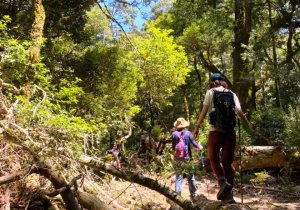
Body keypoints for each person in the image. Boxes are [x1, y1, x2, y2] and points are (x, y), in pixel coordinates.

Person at [196, 73, 246, 203]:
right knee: (227, 163)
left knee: (213, 159)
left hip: (215, 131)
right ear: (223, 81)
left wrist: (196, 127)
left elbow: (204, 111)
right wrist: (246, 121)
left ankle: (223, 183)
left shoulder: (210, 92)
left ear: (212, 82)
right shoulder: (232, 94)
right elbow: (239, 112)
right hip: (231, 132)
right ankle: (229, 196)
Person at [172, 117, 203, 202]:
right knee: (190, 177)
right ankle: (193, 195)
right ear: (184, 125)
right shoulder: (188, 133)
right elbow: (194, 143)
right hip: (187, 158)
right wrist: (199, 147)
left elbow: (173, 147)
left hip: (177, 158)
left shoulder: (174, 134)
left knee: (179, 177)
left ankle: (177, 197)